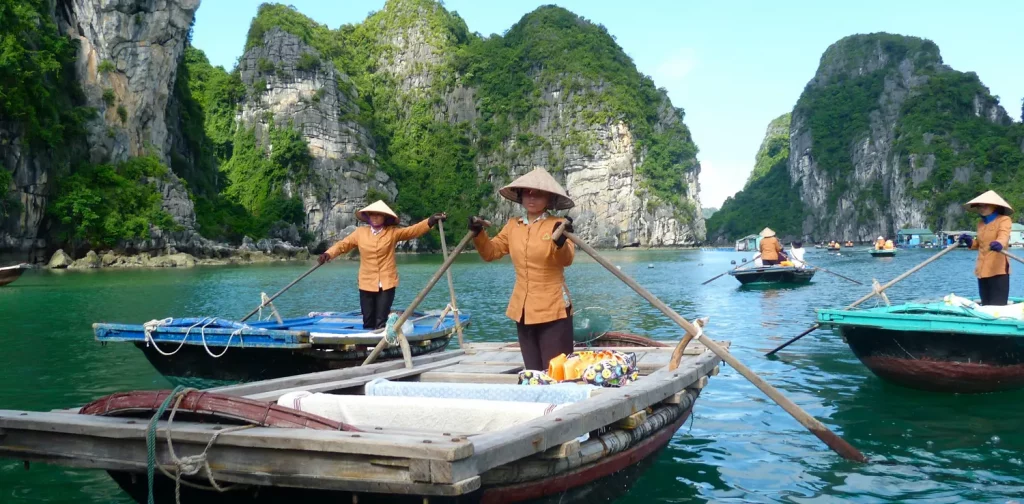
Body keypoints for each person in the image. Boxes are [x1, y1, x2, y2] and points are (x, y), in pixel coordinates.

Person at [469, 167, 576, 371]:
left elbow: (566, 260)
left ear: (549, 199)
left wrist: (560, 241)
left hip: (553, 308)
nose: (531, 197)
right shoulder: (513, 226)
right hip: (523, 308)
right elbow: (490, 253)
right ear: (520, 196)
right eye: (527, 192)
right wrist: (478, 233)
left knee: (557, 371)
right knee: (533, 372)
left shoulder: (558, 224)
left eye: (538, 193)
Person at [318, 200, 446, 329]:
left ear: (384, 217)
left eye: (378, 215)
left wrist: (430, 221)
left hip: (387, 282)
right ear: (368, 216)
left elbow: (412, 231)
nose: (375, 217)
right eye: (372, 214)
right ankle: (367, 346)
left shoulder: (392, 232)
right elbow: (343, 245)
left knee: (381, 320)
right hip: (366, 282)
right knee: (368, 319)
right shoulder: (360, 233)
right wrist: (328, 254)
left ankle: (381, 345)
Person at [958, 190, 1013, 306]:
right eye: (979, 206)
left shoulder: (1004, 220)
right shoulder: (981, 224)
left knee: (997, 306)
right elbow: (979, 244)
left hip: (998, 270)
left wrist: (999, 243)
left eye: (985, 205)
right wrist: (969, 242)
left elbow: (1004, 236)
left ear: (994, 206)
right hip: (982, 271)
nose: (982, 208)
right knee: (986, 304)